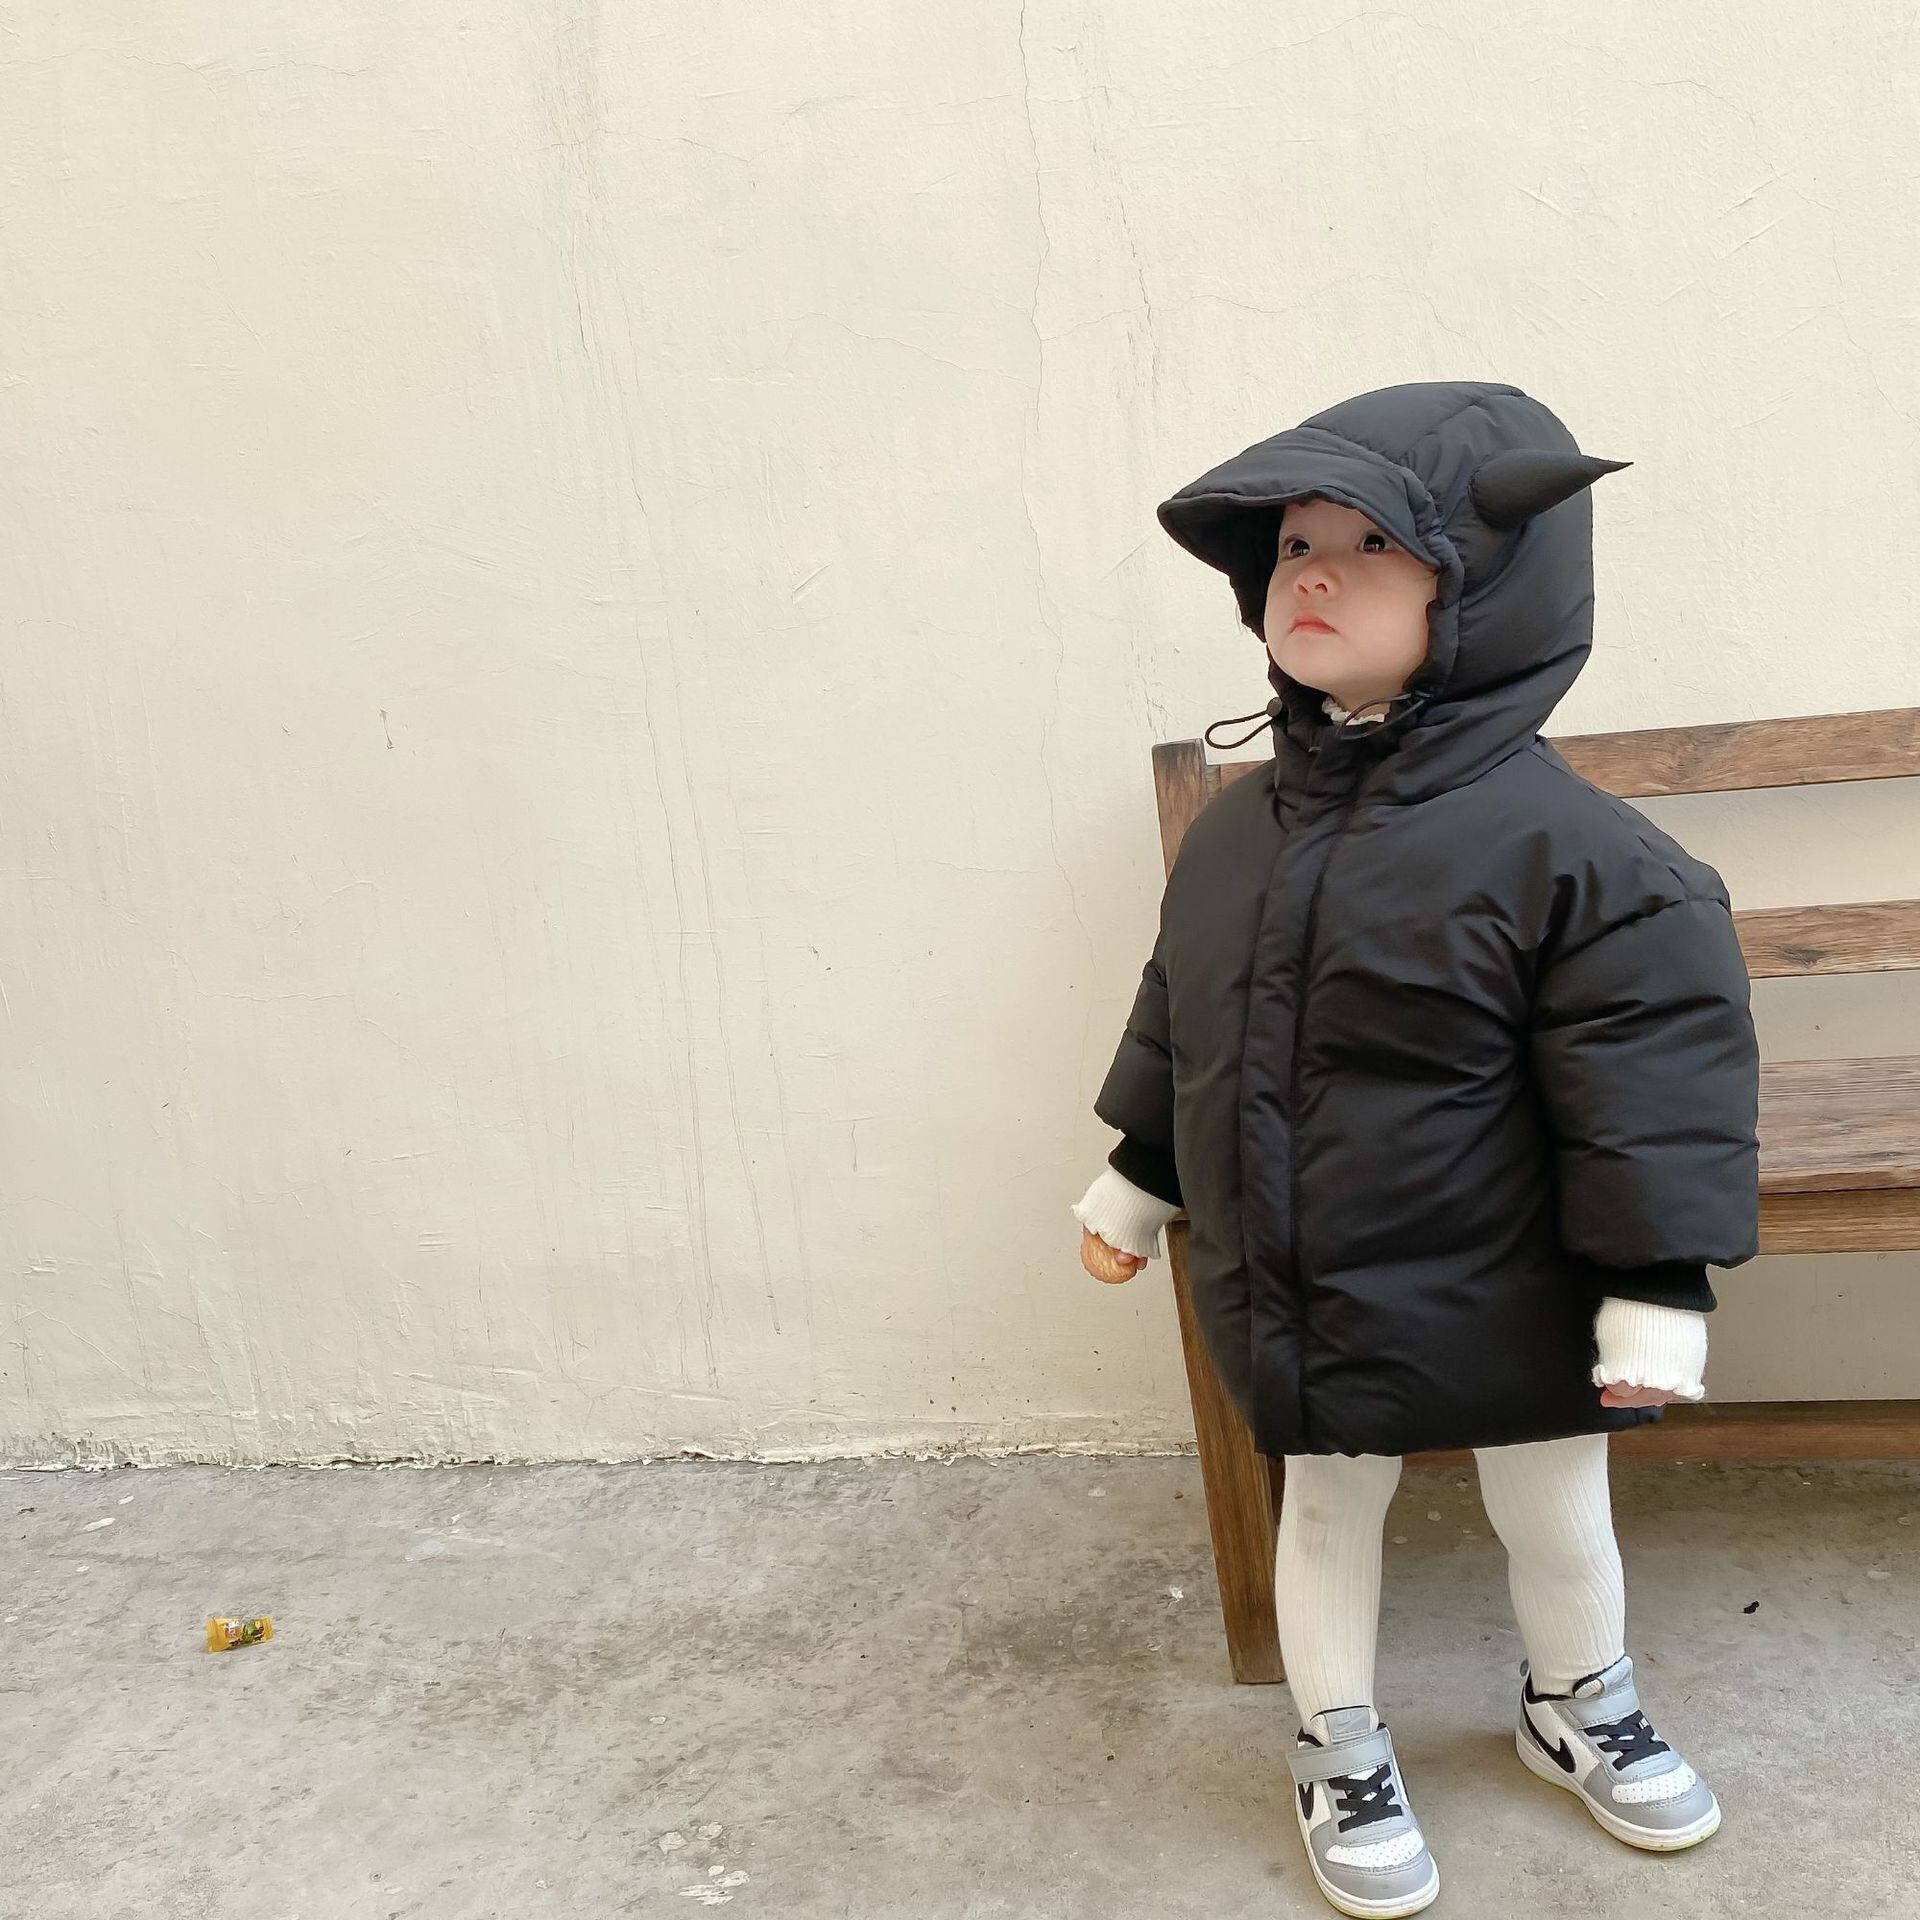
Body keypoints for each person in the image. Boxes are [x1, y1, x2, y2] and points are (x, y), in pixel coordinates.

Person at [1070, 380, 1761, 1919]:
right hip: (1312, 1270)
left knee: (1553, 1502)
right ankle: (1338, 1739)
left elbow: (1650, 1074)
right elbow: (1187, 1013)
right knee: (1329, 1502)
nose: (1312, 573)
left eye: (1373, 544)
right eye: (1293, 545)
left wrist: (1657, 1283)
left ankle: (1579, 1699)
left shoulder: (1580, 854)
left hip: (1515, 1272)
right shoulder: (1239, 834)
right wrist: (1138, 1172)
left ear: (1488, 583)